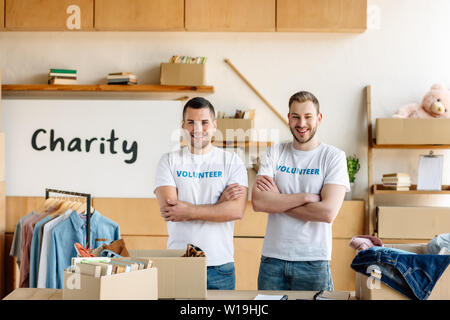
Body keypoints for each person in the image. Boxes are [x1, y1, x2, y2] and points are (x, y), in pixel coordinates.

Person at [252, 91, 350, 291]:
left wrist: (277, 201)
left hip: (314, 262)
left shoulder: (333, 157)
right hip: (273, 260)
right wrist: (305, 198)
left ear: (319, 119)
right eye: (295, 116)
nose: (301, 123)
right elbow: (259, 202)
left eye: (308, 117)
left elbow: (327, 213)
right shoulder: (275, 152)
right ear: (288, 118)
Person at [154, 97, 248, 290]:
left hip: (220, 265)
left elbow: (237, 211)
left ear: (214, 125)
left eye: (204, 122)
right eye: (191, 122)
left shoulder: (232, 161)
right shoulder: (169, 161)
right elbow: (171, 210)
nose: (197, 129)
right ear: (183, 125)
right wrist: (219, 206)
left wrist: (188, 210)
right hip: (179, 262)